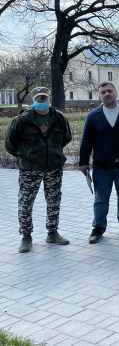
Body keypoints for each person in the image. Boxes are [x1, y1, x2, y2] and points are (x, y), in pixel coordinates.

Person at [5, 87, 72, 253]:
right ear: (33, 101)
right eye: (38, 99)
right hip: (30, 169)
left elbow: (66, 138)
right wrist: (26, 156)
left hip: (53, 168)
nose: (41, 101)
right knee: (26, 203)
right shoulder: (22, 120)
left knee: (54, 201)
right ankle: (26, 237)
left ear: (50, 99)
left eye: (44, 98)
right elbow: (10, 144)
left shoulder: (59, 118)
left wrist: (52, 153)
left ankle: (52, 233)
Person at [79, 81, 119, 244]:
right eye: (103, 92)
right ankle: (98, 227)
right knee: (101, 199)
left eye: (109, 91)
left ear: (116, 92)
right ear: (100, 95)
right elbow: (86, 140)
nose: (107, 94)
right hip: (102, 165)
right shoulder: (93, 116)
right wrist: (83, 162)